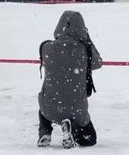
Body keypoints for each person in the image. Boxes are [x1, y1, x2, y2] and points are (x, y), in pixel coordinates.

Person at [37, 11, 102, 148]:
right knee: (89, 139)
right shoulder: (85, 50)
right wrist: (87, 39)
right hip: (76, 108)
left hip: (50, 105)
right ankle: (70, 127)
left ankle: (45, 132)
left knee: (44, 105)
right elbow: (98, 63)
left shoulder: (46, 47)